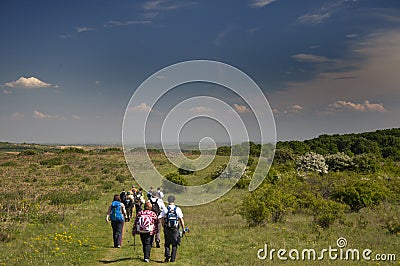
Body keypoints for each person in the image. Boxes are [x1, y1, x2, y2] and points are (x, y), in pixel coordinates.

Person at [160, 195, 185, 262]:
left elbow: (162, 219)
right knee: (174, 244)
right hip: (175, 228)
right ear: (174, 200)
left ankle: (167, 255)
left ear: (168, 201)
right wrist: (183, 229)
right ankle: (173, 258)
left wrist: (163, 226)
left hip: (167, 228)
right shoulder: (177, 209)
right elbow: (181, 219)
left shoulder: (165, 209)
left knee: (167, 243)